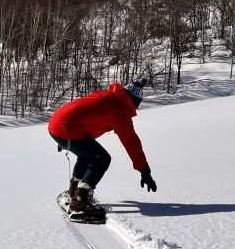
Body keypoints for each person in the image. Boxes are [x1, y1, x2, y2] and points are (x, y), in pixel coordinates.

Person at [48, 77, 157, 217]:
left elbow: (82, 110)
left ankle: (74, 192)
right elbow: (131, 142)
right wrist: (144, 171)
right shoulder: (120, 110)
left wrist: (62, 136)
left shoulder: (107, 96)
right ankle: (80, 204)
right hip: (67, 127)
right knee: (102, 159)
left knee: (87, 156)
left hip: (58, 122)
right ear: (134, 102)